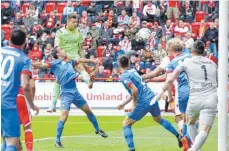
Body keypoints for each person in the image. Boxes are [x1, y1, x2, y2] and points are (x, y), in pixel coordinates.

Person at [32, 47, 108, 148]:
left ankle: (98, 130)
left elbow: (80, 60)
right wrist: (28, 62)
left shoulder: (68, 60)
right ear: (58, 54)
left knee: (89, 111)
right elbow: (41, 65)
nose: (64, 50)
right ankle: (57, 141)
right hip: (66, 93)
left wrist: (92, 60)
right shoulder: (54, 63)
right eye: (61, 50)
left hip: (75, 92)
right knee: (64, 116)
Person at [152, 40, 217, 151]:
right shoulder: (211, 63)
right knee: (203, 129)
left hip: (188, 94)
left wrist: (161, 94)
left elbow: (169, 79)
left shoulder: (179, 62)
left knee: (186, 121)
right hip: (209, 97)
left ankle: (188, 143)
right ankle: (193, 146)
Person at [117, 55, 183, 151]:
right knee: (159, 119)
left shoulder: (124, 76)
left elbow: (134, 90)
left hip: (143, 102)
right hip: (152, 98)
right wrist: (123, 104)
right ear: (128, 63)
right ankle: (178, 136)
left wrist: (134, 105)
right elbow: (134, 91)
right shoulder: (133, 71)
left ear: (118, 64)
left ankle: (131, 149)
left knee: (126, 124)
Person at [48, 13, 95, 112]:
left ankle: (88, 81)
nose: (75, 24)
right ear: (68, 22)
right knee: (58, 81)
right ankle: (53, 105)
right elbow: (57, 47)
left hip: (75, 57)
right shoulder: (60, 32)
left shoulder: (78, 32)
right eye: (73, 22)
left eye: (77, 22)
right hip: (64, 58)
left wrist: (84, 61)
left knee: (81, 69)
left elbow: (81, 49)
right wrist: (63, 56)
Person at [1, 28, 39, 151]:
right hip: (8, 102)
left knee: (6, 139)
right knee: (12, 142)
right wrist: (32, 105)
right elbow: (26, 85)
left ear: (9, 39)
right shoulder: (24, 59)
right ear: (24, 43)